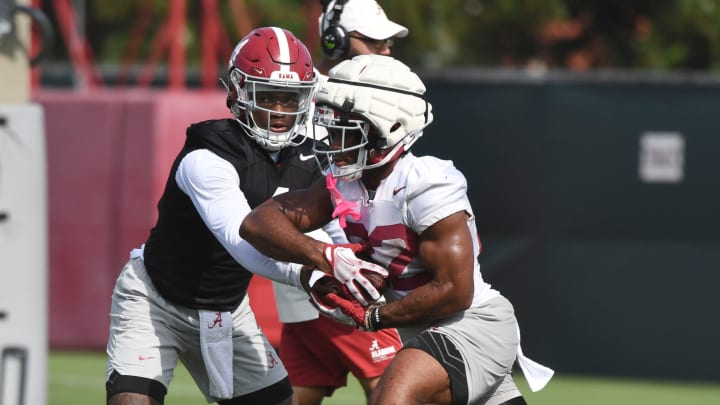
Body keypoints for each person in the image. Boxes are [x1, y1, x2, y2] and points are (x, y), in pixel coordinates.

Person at [240, 54, 554, 405]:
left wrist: (372, 315)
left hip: (471, 325)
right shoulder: (342, 183)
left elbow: (455, 290)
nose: (332, 142)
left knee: (389, 399)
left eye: (346, 129)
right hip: (423, 333)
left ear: (385, 128)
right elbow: (257, 223)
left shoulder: (425, 183)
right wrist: (326, 257)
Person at [105, 26, 331, 405]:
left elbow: (334, 232)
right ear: (238, 93)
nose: (278, 110)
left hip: (227, 309)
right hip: (155, 298)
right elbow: (243, 241)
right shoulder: (207, 155)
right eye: (268, 96)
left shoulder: (309, 159)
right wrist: (314, 270)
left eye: (289, 99)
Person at [268, 1, 406, 404]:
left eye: (388, 43)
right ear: (337, 41)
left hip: (307, 282)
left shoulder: (326, 101)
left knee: (301, 394)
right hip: (338, 276)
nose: (386, 51)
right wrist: (345, 264)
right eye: (375, 41)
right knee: (396, 386)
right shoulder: (327, 106)